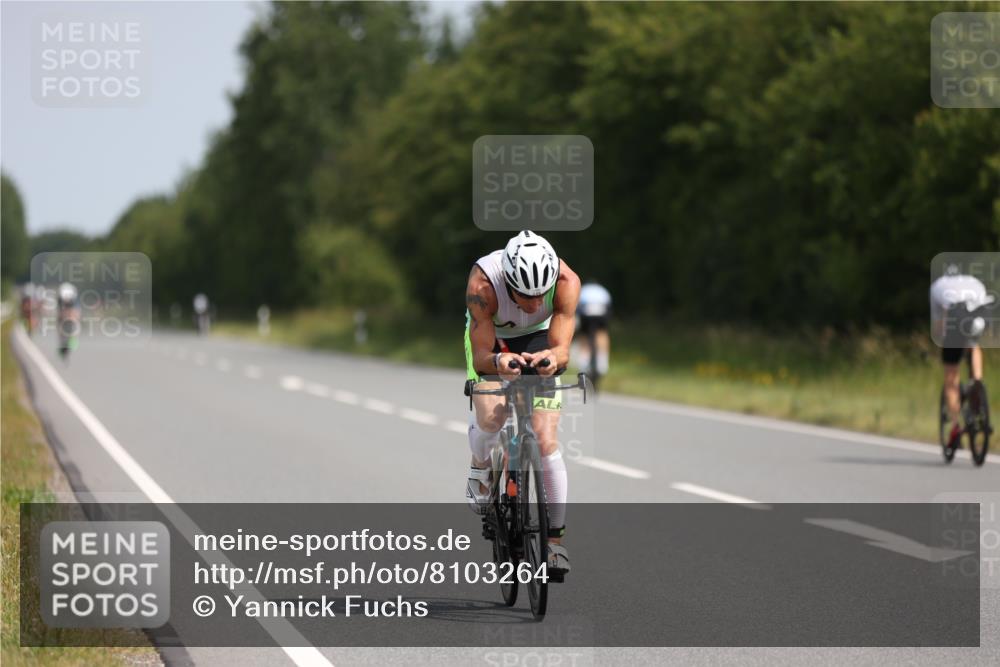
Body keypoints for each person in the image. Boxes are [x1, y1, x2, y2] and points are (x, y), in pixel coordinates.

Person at [464, 230, 581, 577]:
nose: (532, 304)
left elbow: (563, 349)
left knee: (546, 440)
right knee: (492, 416)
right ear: (508, 281)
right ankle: (479, 466)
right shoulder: (483, 286)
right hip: (493, 338)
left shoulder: (565, 281)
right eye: (523, 295)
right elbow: (483, 356)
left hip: (539, 336)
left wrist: (551, 357)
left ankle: (555, 544)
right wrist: (499, 363)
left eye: (539, 296)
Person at [930, 265, 994, 446]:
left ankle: (956, 428)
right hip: (979, 314)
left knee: (951, 378)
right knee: (973, 344)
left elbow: (939, 324)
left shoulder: (937, 286)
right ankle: (977, 383)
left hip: (957, 315)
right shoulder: (974, 282)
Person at [576, 281, 612, 385]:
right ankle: (602, 361)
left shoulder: (583, 289)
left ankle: (583, 362)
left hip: (585, 312)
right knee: (602, 332)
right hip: (602, 311)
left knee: (583, 334)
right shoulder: (602, 291)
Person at [56, 282, 81, 358]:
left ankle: (73, 337)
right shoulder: (60, 298)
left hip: (73, 307)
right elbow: (59, 311)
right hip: (62, 309)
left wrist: (75, 317)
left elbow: (77, 311)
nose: (66, 301)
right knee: (59, 320)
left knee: (75, 319)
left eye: (68, 300)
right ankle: (61, 339)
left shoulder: (74, 298)